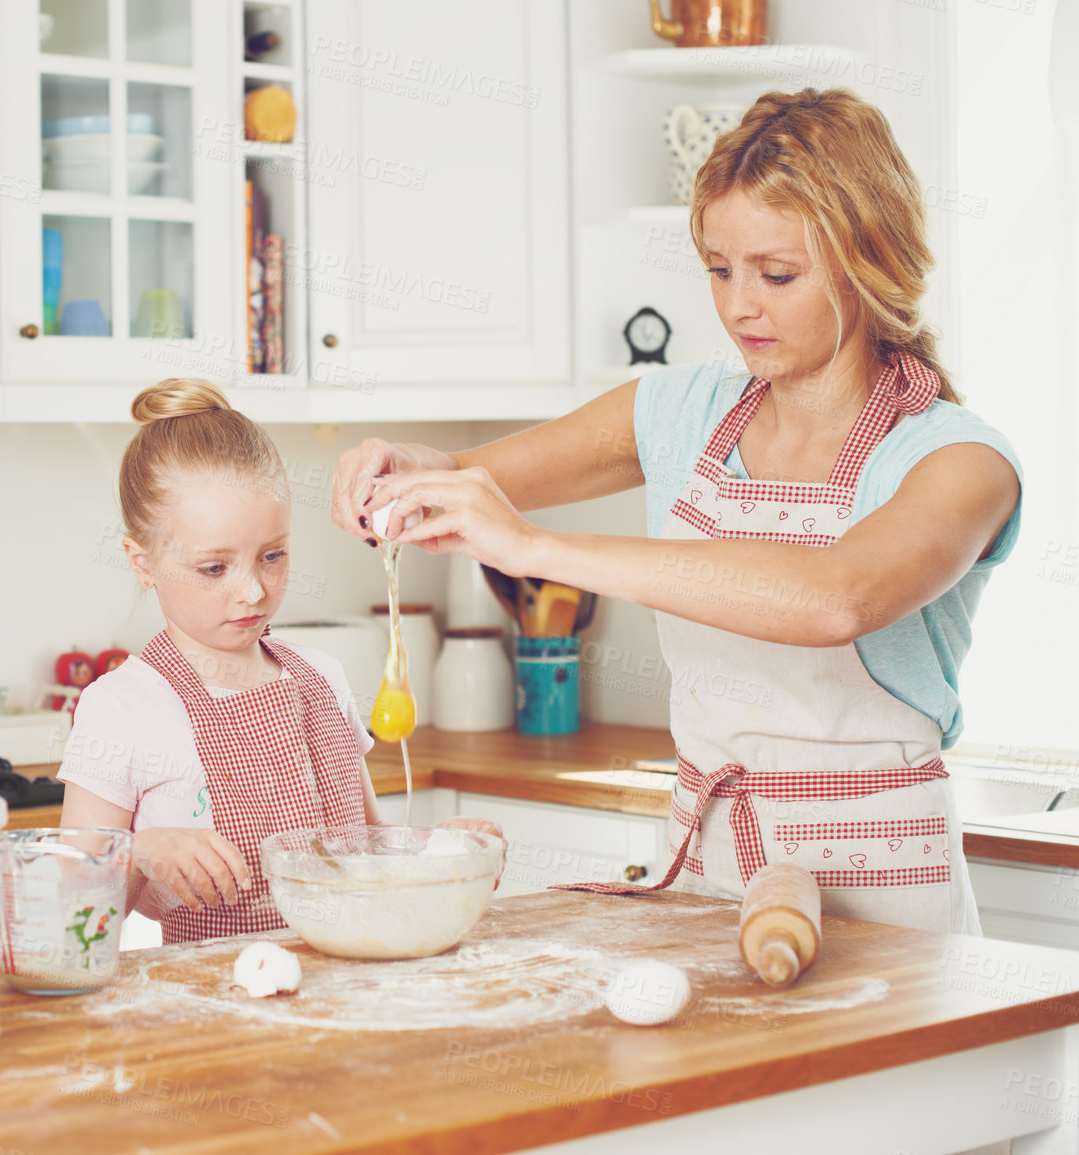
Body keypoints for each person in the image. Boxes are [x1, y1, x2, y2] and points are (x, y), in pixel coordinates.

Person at [331, 89, 1022, 935]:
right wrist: (405, 472)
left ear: (865, 262)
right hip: (709, 865)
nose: (738, 306)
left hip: (884, 893)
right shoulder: (676, 411)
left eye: (776, 274)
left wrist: (533, 545)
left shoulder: (959, 461)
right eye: (719, 269)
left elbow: (836, 597)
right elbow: (467, 472)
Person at [59, 378, 503, 944]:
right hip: (216, 1012)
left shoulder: (322, 678)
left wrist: (445, 853)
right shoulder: (121, 707)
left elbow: (371, 854)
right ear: (141, 563)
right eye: (214, 568)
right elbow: (74, 919)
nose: (252, 592)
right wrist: (140, 853)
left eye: (273, 556)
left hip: (346, 991)